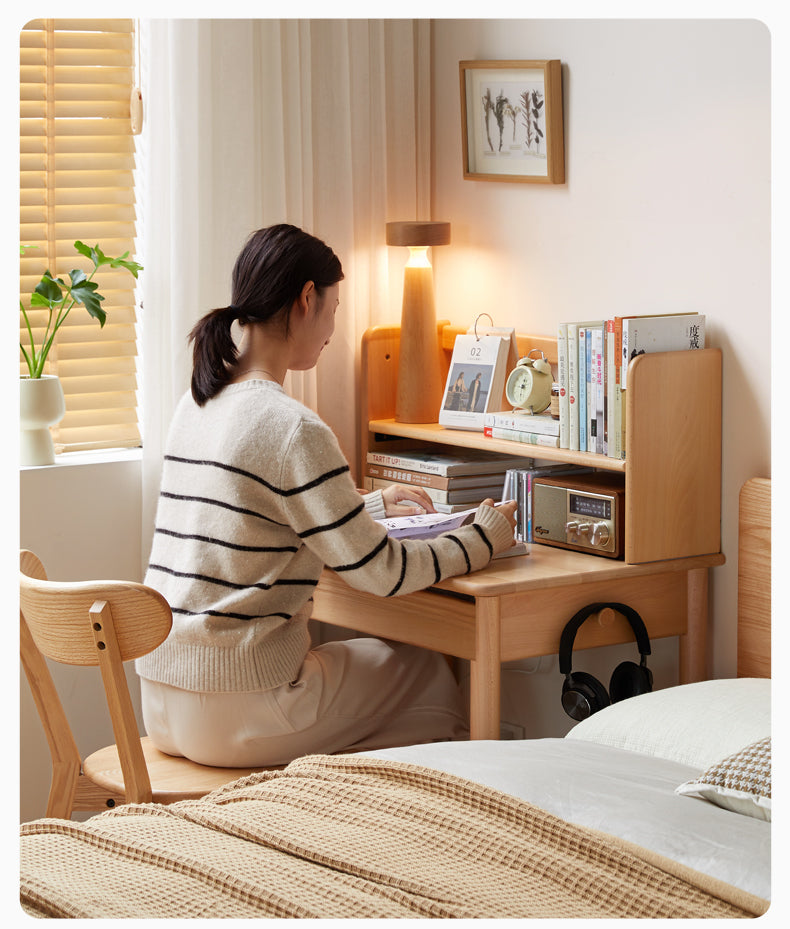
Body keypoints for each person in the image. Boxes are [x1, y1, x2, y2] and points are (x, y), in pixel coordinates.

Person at [136, 224, 518, 768]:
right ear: (306, 299)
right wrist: (483, 538)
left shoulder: (196, 403)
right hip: (238, 705)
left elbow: (249, 510)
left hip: (161, 701)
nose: (333, 330)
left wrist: (372, 506)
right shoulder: (292, 427)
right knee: (429, 673)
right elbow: (382, 572)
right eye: (334, 309)